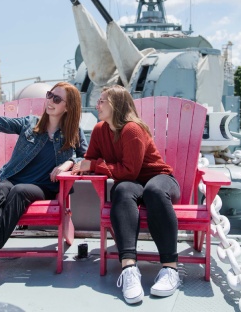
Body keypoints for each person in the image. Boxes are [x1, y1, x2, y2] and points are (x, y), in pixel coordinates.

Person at [0, 81, 87, 298]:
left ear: (68, 107)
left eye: (57, 99)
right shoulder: (30, 124)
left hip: (44, 188)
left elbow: (85, 157)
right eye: (50, 95)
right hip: (14, 179)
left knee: (20, 191)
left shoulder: (73, 132)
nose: (50, 101)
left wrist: (69, 163)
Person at [72, 85, 181, 304]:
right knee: (121, 190)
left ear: (116, 105)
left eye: (102, 101)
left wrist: (94, 164)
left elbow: (128, 169)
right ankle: (129, 268)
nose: (97, 105)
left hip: (160, 180)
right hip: (132, 184)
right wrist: (85, 164)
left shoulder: (132, 129)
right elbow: (89, 160)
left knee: (154, 191)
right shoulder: (99, 130)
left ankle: (170, 269)